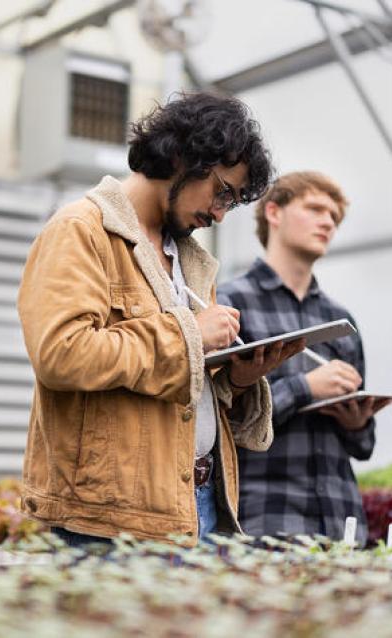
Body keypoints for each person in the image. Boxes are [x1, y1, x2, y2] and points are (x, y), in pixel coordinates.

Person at [17, 93, 304, 547]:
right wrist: (191, 333)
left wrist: (239, 378)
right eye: (222, 192)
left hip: (199, 504)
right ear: (180, 155)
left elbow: (177, 381)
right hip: (110, 519)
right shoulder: (81, 230)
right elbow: (61, 354)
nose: (219, 213)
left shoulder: (189, 259)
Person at [218, 171, 387, 545]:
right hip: (263, 518)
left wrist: (357, 421)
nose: (328, 221)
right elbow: (220, 423)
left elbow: (365, 446)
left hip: (342, 521)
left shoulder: (340, 320)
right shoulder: (231, 306)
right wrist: (305, 388)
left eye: (334, 216)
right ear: (274, 213)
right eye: (314, 209)